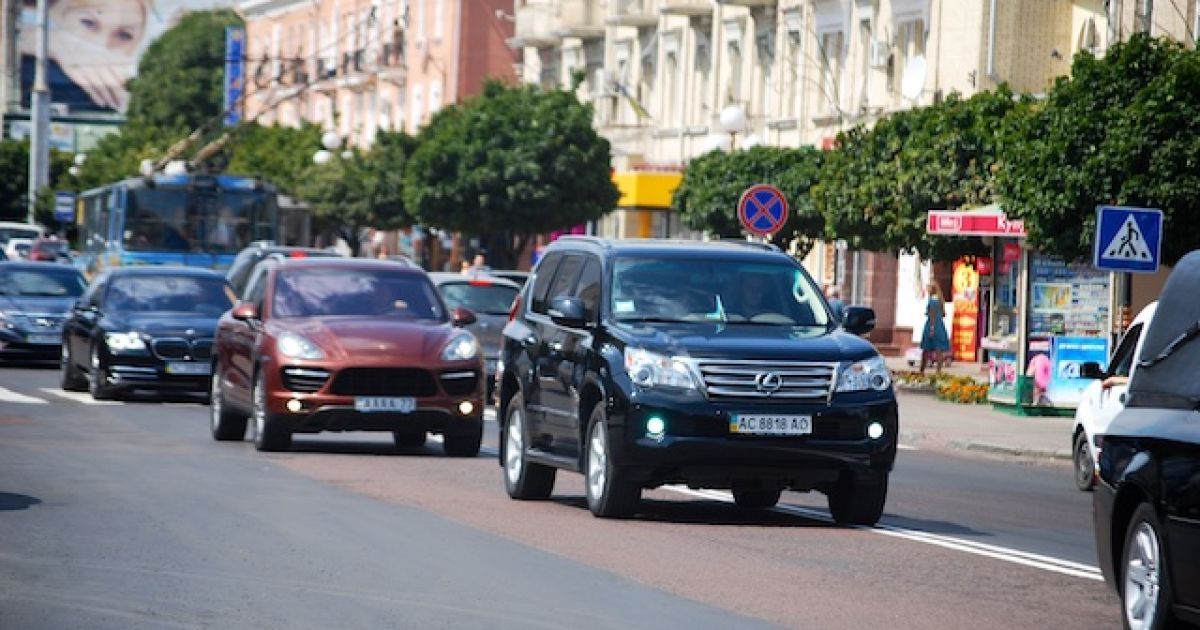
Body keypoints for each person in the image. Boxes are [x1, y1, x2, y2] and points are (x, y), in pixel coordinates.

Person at [919, 282, 950, 373]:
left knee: (926, 349)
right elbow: (943, 314)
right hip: (940, 325)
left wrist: (932, 328)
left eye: (928, 288)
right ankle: (938, 372)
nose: (927, 290)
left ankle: (921, 371)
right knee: (939, 350)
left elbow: (932, 315)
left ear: (932, 289)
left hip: (931, 325)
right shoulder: (940, 299)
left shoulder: (932, 300)